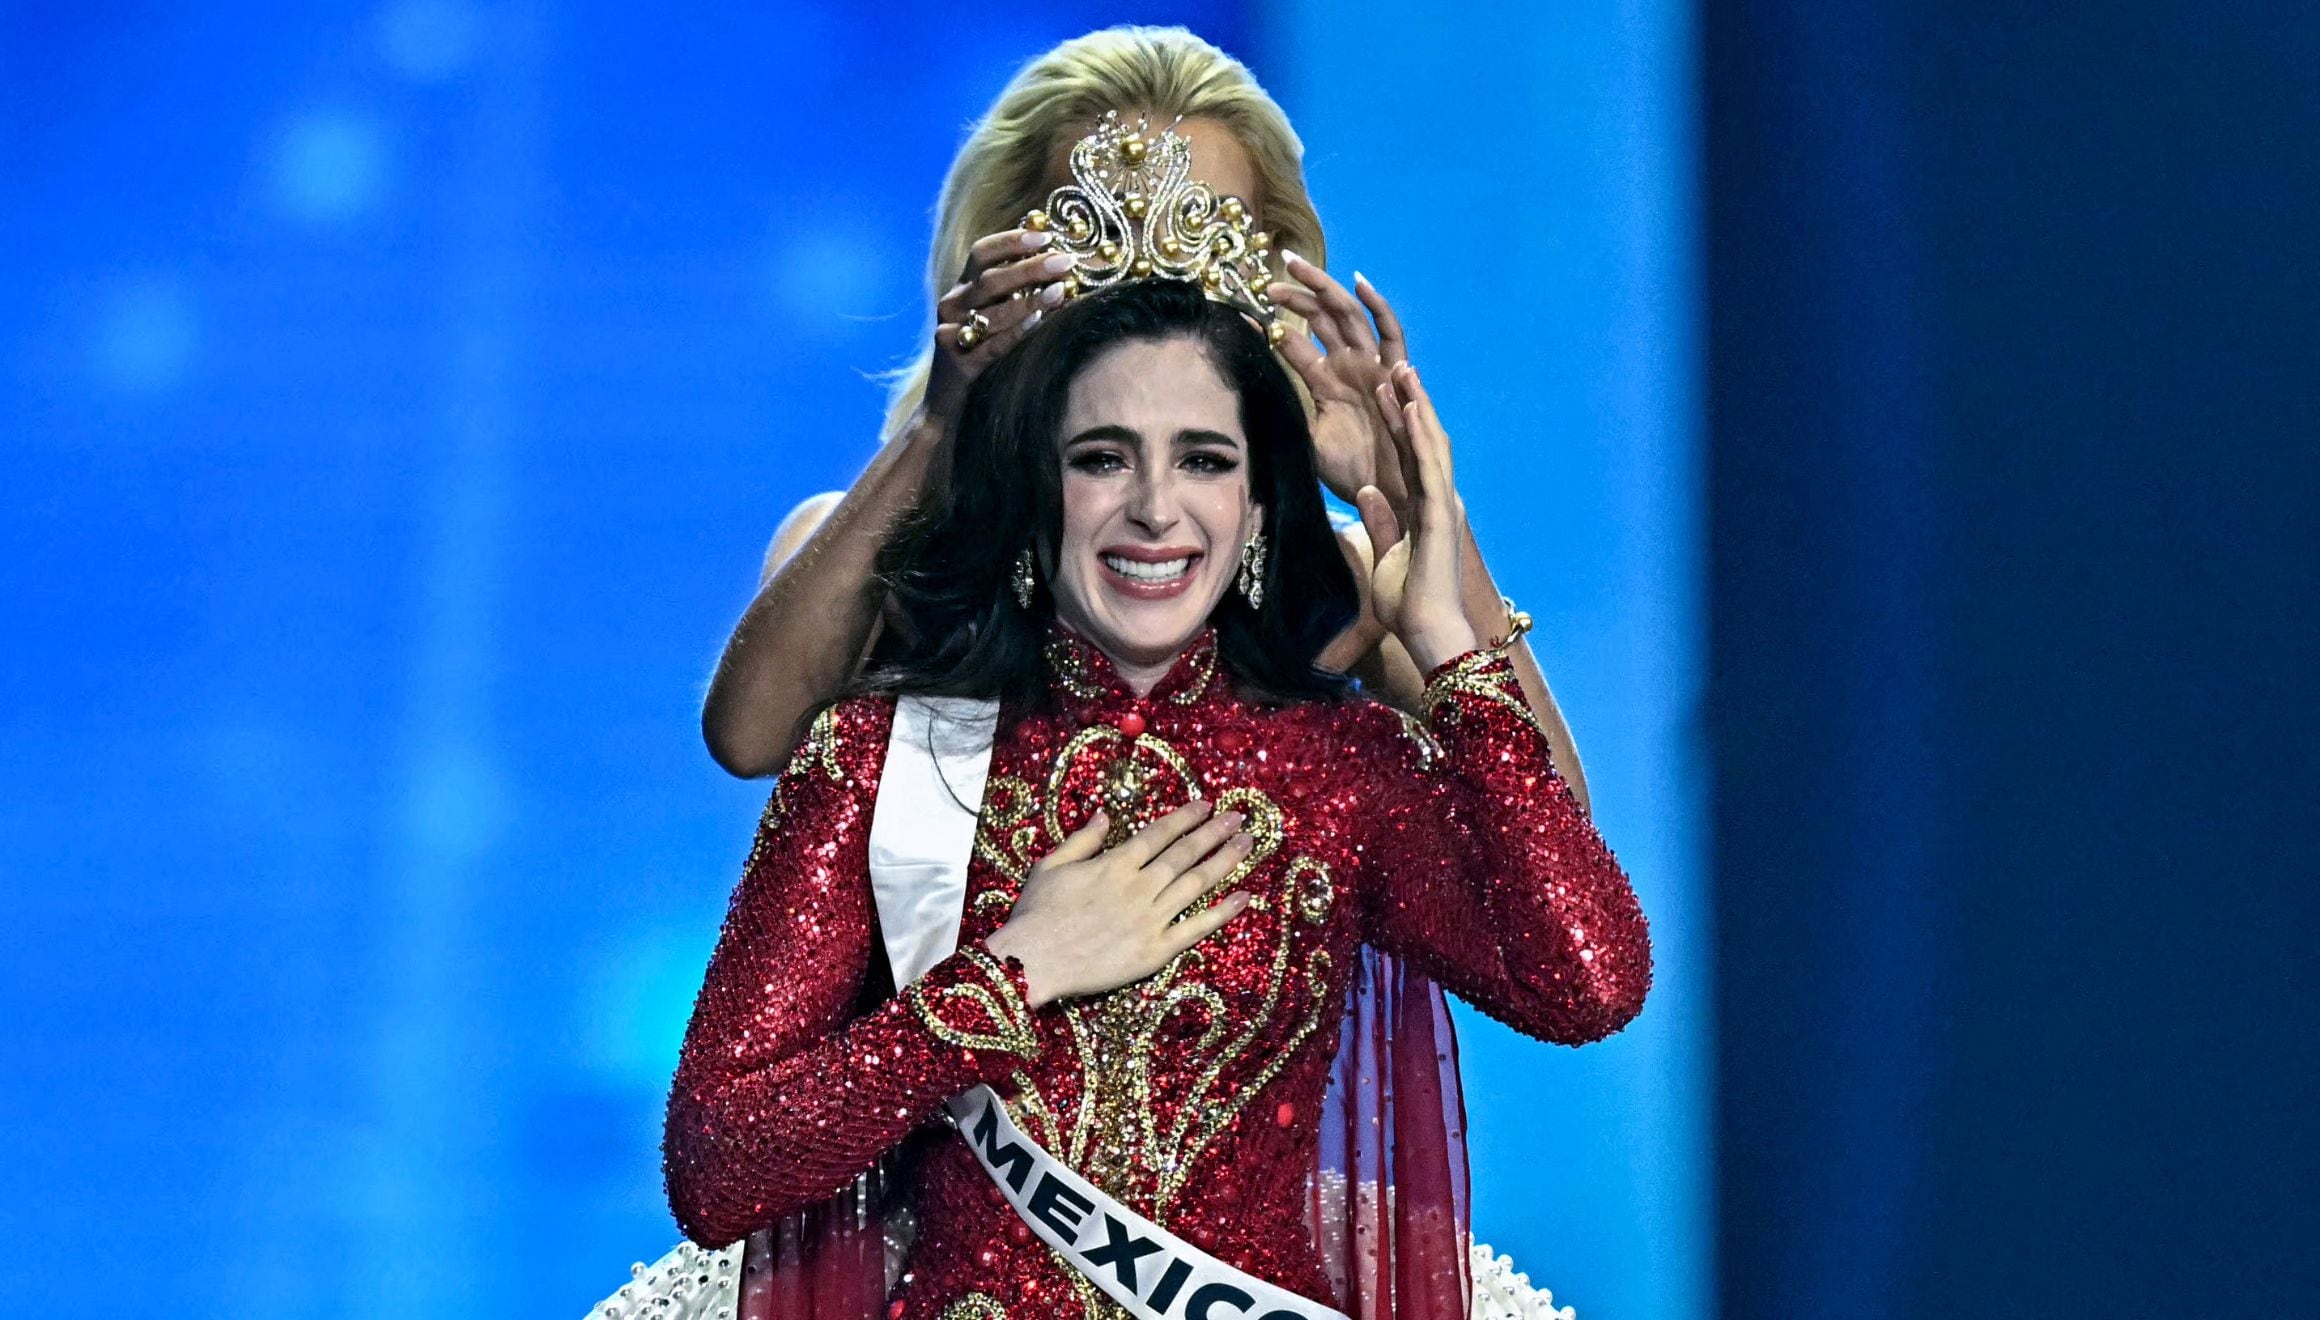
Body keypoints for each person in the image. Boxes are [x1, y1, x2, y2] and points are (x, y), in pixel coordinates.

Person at [662, 276, 1651, 1319]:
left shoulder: (1342, 769)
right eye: (1102, 459)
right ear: (1035, 496)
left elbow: (1588, 983)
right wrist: (1010, 978)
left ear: (1257, 509)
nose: (1154, 507)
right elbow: (718, 1167)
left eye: (1204, 460)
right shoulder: (882, 754)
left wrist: (1445, 640)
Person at [698, 26, 1595, 820]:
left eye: (1195, 246)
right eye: (1103, 246)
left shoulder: (1340, 576)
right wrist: (942, 429)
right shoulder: (882, 553)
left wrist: (1410, 496)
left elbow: (1556, 848)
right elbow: (749, 737)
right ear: (1004, 267)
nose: (1148, 309)